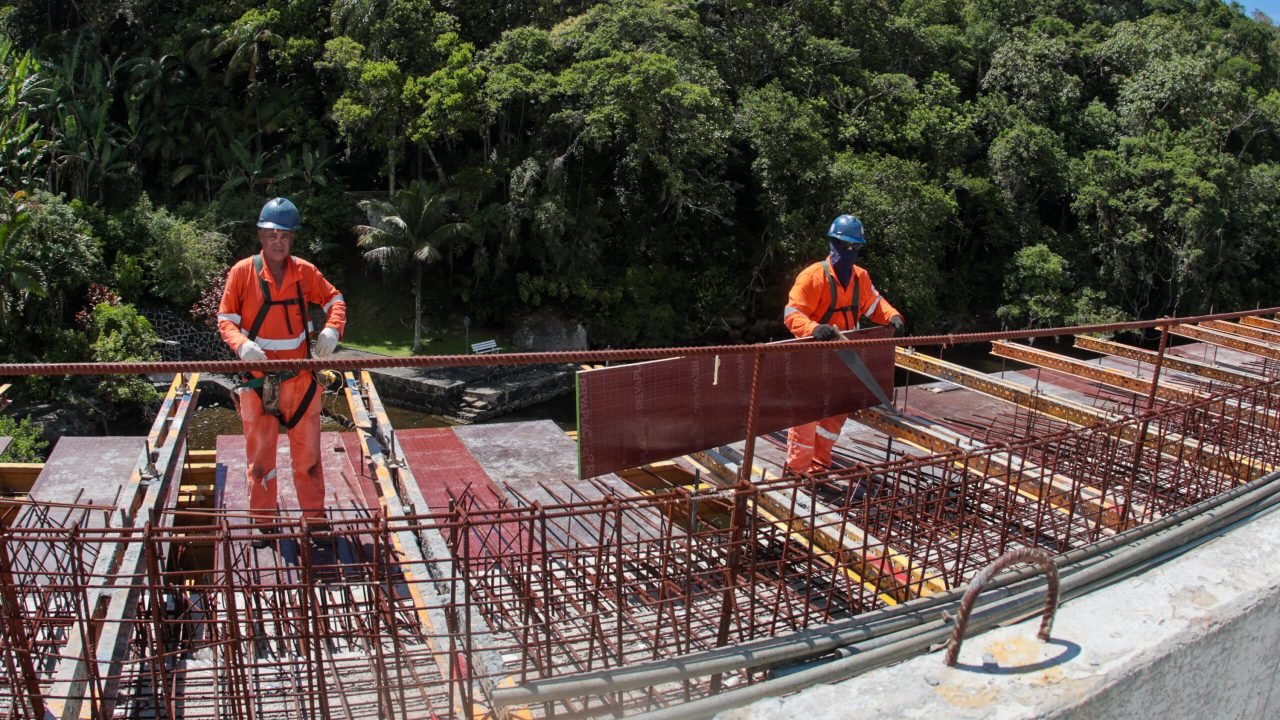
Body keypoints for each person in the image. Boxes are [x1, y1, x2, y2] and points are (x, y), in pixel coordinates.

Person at [217, 197, 346, 546]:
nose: (278, 241)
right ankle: (264, 524)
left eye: (285, 236)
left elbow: (335, 300)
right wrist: (241, 345)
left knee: (309, 460)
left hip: (301, 381)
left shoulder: (305, 272)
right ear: (261, 235)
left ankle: (315, 522)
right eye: (272, 234)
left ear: (292, 239)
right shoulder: (242, 273)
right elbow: (226, 320)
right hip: (259, 383)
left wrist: (332, 329)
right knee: (260, 461)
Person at [782, 214, 905, 475]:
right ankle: (796, 471)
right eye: (842, 245)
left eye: (853, 246)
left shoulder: (860, 278)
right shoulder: (813, 277)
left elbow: (875, 304)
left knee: (834, 415)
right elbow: (792, 314)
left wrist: (892, 316)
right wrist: (814, 329)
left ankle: (819, 466)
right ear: (832, 243)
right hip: (813, 357)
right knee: (806, 417)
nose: (847, 251)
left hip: (845, 359)